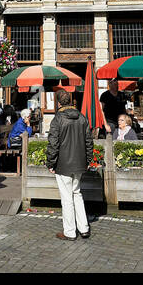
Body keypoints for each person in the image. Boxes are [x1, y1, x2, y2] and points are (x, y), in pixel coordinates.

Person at [46, 88, 94, 241]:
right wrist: (87, 160)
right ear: (71, 101)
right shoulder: (82, 117)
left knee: (67, 198)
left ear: (59, 102)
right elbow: (89, 142)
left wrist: (50, 162)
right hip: (79, 162)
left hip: (63, 163)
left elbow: (53, 143)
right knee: (77, 194)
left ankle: (70, 231)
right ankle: (84, 228)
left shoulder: (58, 119)